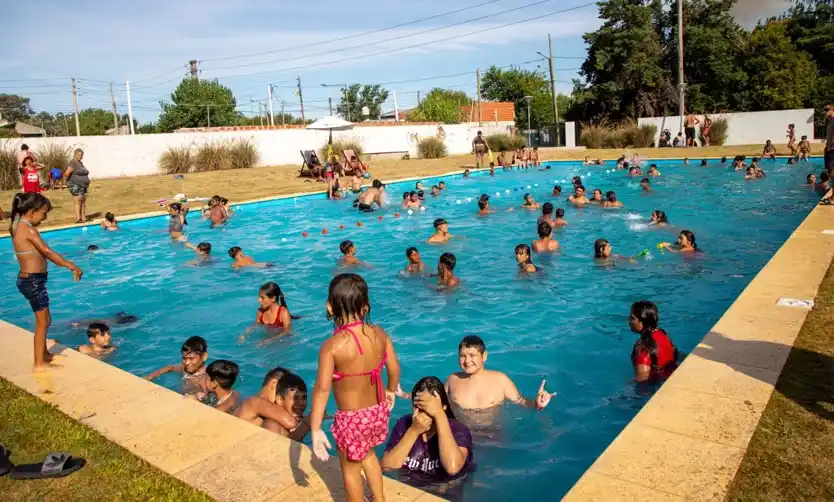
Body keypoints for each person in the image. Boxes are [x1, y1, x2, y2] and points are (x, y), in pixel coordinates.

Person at [309, 273, 401, 502]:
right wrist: (390, 391)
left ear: (330, 307)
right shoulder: (380, 333)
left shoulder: (332, 346)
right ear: (366, 305)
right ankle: (379, 499)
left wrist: (315, 427)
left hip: (352, 419)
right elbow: (394, 369)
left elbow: (322, 389)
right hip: (378, 411)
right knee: (368, 453)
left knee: (350, 469)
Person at [10, 193, 83, 369]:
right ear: (32, 211)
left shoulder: (18, 226)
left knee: (45, 320)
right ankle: (39, 363)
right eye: (44, 213)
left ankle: (43, 354)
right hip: (33, 281)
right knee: (43, 322)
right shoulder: (29, 229)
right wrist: (71, 266)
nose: (45, 217)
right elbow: (47, 252)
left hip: (29, 280)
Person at [381, 377, 473, 482]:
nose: (422, 413)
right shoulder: (405, 423)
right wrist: (413, 431)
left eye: (428, 408)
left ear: (444, 407)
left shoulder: (458, 430)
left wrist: (439, 415)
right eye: (418, 407)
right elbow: (387, 467)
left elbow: (453, 468)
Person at [445, 335, 555, 413]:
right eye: (462, 356)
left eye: (472, 355)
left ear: (484, 356)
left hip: (492, 435)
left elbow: (522, 402)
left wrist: (537, 404)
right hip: (461, 435)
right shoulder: (452, 380)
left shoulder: (500, 381)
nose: (467, 361)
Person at [236, 368, 308, 441]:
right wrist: (306, 421)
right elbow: (291, 422)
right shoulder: (254, 401)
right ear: (274, 384)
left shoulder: (255, 404)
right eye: (280, 388)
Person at [146, 336, 210, 401]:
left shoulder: (207, 376)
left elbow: (208, 396)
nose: (187, 363)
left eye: (191, 358)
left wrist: (197, 397)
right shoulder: (185, 369)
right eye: (184, 358)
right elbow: (170, 367)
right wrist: (150, 376)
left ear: (204, 356)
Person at [629, 301, 679, 382]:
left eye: (632, 318)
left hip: (655, 384)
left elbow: (642, 380)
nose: (629, 321)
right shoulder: (663, 334)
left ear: (643, 322)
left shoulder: (643, 348)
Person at [64, 148, 91, 223]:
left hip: (82, 185)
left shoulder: (80, 163)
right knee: (78, 201)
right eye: (79, 155)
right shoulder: (73, 162)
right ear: (75, 154)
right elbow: (67, 173)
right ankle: (78, 218)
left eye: (82, 155)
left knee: (83, 201)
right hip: (75, 184)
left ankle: (83, 217)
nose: (80, 156)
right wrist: (67, 183)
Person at [825, 104, 834, 172]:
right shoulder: (830, 121)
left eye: (827, 109)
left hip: (832, 149)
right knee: (829, 170)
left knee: (831, 170)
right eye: (824, 110)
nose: (825, 111)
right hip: (828, 149)